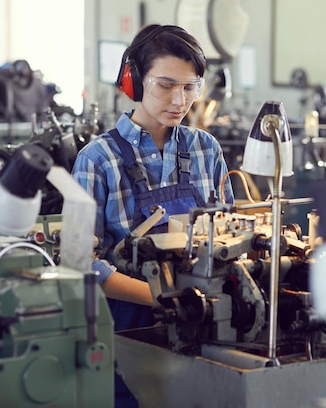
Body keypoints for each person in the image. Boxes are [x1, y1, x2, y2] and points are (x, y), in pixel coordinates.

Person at [71, 23, 235, 407]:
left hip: (203, 328)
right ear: (133, 81)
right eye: (165, 85)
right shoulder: (97, 160)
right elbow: (82, 265)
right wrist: (162, 299)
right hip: (126, 334)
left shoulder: (205, 149)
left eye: (190, 87)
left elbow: (228, 234)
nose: (179, 100)